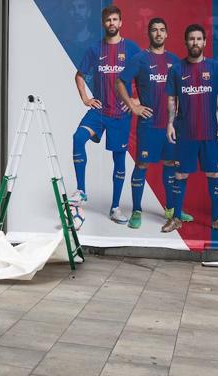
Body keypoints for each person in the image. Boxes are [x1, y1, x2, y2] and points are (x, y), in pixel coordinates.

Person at [116, 17, 194, 229]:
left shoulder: (176, 61)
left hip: (171, 126)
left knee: (170, 165)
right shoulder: (140, 59)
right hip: (149, 125)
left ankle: (171, 209)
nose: (158, 34)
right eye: (154, 30)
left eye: (162, 30)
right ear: (149, 34)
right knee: (142, 165)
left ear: (167, 34)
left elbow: (183, 90)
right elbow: (120, 82)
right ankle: (137, 210)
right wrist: (134, 106)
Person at [68, 5, 140, 225]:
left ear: (121, 22)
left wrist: (136, 101)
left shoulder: (132, 48)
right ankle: (81, 191)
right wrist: (85, 99)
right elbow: (79, 76)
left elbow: (145, 77)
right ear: (103, 23)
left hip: (120, 113)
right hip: (99, 111)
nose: (111, 23)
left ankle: (115, 207)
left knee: (119, 160)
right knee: (78, 138)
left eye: (115, 19)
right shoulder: (94, 49)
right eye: (108, 20)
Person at [161, 24, 218, 234]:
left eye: (199, 39)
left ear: (205, 42)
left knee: (214, 174)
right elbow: (172, 99)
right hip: (186, 132)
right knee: (181, 175)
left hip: (210, 132)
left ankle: (216, 219)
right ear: (186, 42)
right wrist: (169, 123)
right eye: (191, 39)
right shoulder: (176, 69)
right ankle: (176, 218)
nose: (195, 42)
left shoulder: (215, 68)